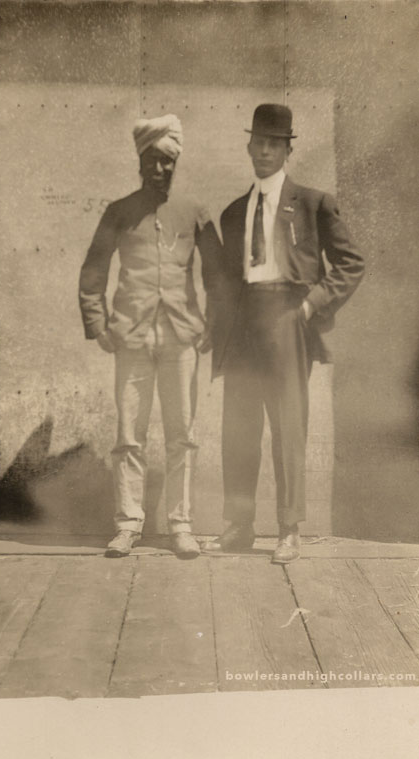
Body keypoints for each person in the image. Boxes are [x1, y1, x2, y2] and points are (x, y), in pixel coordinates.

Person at [208, 103, 364, 563]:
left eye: (274, 144)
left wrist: (313, 303)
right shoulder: (234, 213)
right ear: (249, 146)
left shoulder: (313, 204)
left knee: (288, 426)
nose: (265, 151)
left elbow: (351, 262)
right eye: (258, 142)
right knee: (238, 428)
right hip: (243, 325)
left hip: (287, 319)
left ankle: (289, 530)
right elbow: (223, 281)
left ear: (287, 149)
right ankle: (238, 526)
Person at [79, 114, 221, 559]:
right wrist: (98, 324)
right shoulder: (118, 211)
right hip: (133, 337)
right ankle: (128, 524)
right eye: (151, 161)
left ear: (176, 163)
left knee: (183, 434)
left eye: (167, 162)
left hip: (181, 337)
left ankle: (181, 525)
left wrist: (212, 325)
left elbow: (219, 277)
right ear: (140, 161)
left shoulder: (194, 211)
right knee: (129, 435)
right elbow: (93, 271)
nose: (159, 170)